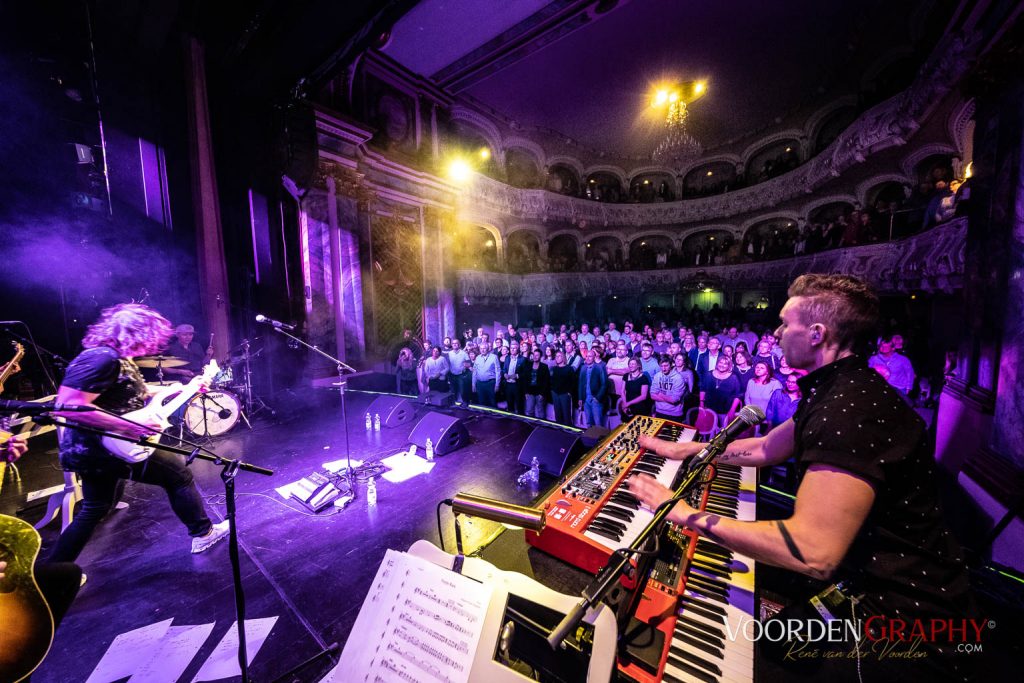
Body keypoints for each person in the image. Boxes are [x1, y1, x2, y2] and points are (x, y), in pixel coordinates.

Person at [629, 274, 975, 679]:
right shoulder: (837, 388)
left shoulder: (847, 410)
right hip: (862, 585)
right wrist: (687, 449)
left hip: (901, 624)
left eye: (784, 323)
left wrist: (679, 512)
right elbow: (764, 448)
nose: (775, 332)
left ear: (816, 334)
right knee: (775, 638)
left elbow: (812, 552)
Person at [47, 304, 230, 563]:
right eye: (150, 336)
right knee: (179, 476)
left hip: (97, 449)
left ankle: (51, 573)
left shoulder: (117, 358)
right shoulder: (102, 358)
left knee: (94, 508)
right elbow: (67, 407)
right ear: (137, 332)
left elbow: (133, 392)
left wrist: (182, 388)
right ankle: (203, 533)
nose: (152, 344)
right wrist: (127, 427)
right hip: (107, 446)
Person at [699, 355, 742, 420]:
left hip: (725, 412)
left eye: (725, 364)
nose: (722, 365)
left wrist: (732, 410)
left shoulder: (734, 377)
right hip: (708, 410)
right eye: (720, 362)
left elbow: (737, 396)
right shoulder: (709, 374)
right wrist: (701, 404)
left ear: (729, 366)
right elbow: (703, 389)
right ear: (717, 363)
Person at [577, 349, 607, 428]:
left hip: (595, 400)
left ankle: (600, 440)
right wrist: (580, 398)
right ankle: (590, 440)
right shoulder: (583, 368)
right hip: (586, 399)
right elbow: (580, 384)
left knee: (598, 423)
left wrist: (597, 398)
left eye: (590, 356)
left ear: (594, 357)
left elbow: (604, 384)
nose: (587, 358)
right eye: (586, 356)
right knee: (588, 423)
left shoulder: (599, 368)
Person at [550, 351, 576, 427]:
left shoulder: (569, 368)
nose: (557, 358)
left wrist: (569, 392)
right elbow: (550, 381)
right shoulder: (553, 368)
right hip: (555, 393)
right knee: (558, 415)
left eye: (559, 356)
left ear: (563, 357)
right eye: (556, 356)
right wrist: (552, 391)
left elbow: (573, 382)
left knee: (566, 415)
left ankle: (568, 433)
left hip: (565, 394)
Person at [523, 349, 550, 419]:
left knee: (541, 412)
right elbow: (525, 379)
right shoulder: (528, 365)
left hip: (540, 393)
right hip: (530, 392)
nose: (535, 356)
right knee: (529, 411)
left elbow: (546, 381)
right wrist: (526, 392)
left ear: (540, 356)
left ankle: (542, 428)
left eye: (537, 355)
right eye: (534, 355)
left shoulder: (544, 367)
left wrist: (542, 394)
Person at [472, 341, 501, 407]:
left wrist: (497, 385)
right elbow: (474, 371)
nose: (482, 350)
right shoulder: (478, 357)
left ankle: (493, 416)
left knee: (492, 401)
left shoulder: (494, 357)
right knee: (481, 402)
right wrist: (473, 384)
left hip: (490, 383)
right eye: (481, 348)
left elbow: (498, 371)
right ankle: (482, 416)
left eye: (484, 348)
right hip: (479, 384)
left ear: (488, 349)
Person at [502, 341, 526, 415]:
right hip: (508, 385)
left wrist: (516, 376)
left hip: (517, 385)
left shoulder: (523, 359)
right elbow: (504, 369)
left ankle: (520, 423)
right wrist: (505, 374)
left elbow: (525, 373)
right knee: (510, 405)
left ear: (518, 349)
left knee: (519, 406)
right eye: (511, 348)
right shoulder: (507, 358)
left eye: (514, 348)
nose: (512, 350)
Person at [446, 338, 470, 405]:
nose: (454, 345)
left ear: (459, 345)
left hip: (461, 375)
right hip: (452, 375)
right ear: (452, 345)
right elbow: (446, 364)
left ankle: (465, 405)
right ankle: (454, 405)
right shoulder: (449, 354)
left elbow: (469, 362)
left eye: (456, 343)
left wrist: (466, 365)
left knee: (462, 391)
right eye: (453, 343)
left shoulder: (464, 353)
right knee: (453, 391)